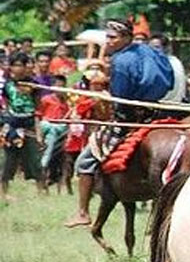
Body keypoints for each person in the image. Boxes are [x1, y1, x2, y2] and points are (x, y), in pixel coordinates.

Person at [64, 19, 176, 228]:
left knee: (85, 160)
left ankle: (83, 212)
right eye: (107, 37)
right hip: (155, 112)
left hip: (127, 119)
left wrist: (110, 95)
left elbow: (121, 95)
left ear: (126, 37)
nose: (108, 41)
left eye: (113, 37)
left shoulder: (121, 60)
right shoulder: (151, 51)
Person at [0, 53, 45, 201]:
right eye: (15, 65)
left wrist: (39, 133)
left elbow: (38, 110)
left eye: (21, 65)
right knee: (8, 161)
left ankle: (41, 193)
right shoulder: (7, 85)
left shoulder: (34, 86)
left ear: (27, 67)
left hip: (29, 125)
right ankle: (3, 193)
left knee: (35, 161)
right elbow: (5, 105)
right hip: (11, 126)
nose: (18, 68)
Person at [37, 73, 70, 183]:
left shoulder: (66, 102)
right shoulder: (46, 99)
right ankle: (43, 166)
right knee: (51, 137)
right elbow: (39, 114)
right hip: (48, 125)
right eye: (58, 86)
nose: (60, 89)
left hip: (61, 127)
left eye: (62, 86)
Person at [149, 33, 187, 102]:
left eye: (156, 47)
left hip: (165, 104)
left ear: (165, 48)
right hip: (177, 103)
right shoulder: (176, 60)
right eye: (150, 48)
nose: (152, 51)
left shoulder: (164, 63)